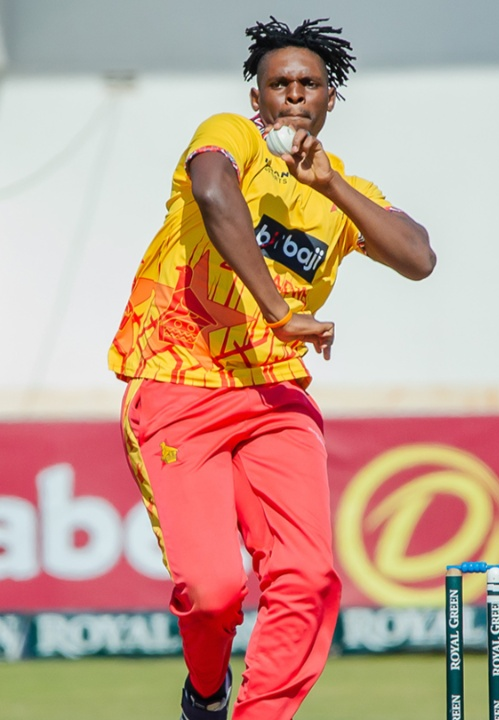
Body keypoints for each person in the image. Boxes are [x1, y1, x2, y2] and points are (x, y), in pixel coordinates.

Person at [106, 17, 435, 720]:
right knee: (213, 592)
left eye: (308, 84)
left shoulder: (341, 188)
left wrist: (332, 186)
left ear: (329, 99)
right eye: (279, 84)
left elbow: (418, 257)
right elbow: (213, 194)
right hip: (178, 385)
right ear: (255, 96)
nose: (293, 95)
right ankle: (205, 692)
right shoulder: (229, 137)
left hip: (274, 399)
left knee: (308, 579)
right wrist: (279, 311)